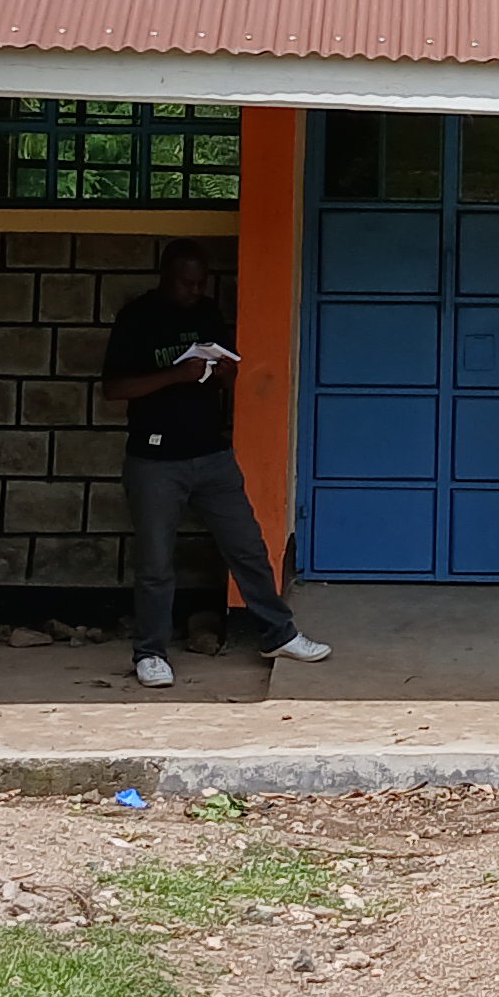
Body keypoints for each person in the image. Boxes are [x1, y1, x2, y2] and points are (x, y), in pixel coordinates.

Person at [99, 241, 329, 689]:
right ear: (165, 277)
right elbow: (113, 387)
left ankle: (278, 634)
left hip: (212, 454)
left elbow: (228, 369)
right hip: (155, 459)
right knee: (156, 562)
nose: (194, 290)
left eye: (200, 282)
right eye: (186, 282)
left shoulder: (206, 312)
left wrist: (225, 373)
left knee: (247, 546)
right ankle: (150, 653)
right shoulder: (138, 318)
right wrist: (175, 374)